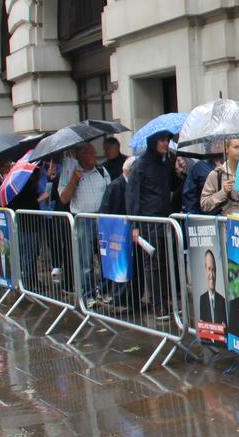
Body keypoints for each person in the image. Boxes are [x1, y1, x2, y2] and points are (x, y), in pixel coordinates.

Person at [126, 131, 175, 320]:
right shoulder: (140, 165)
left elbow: (169, 188)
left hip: (164, 220)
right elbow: (132, 197)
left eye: (168, 140)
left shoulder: (165, 163)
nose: (166, 143)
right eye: (162, 140)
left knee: (164, 262)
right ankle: (158, 305)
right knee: (152, 264)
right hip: (148, 222)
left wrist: (178, 173)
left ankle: (165, 300)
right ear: (154, 141)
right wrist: (135, 225)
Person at [59, 142, 110, 308]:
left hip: (101, 218)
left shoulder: (102, 171)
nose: (94, 156)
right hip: (82, 220)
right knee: (86, 261)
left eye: (94, 152)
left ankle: (104, 291)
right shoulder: (70, 173)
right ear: (80, 156)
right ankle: (88, 294)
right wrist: (74, 179)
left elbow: (111, 192)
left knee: (104, 258)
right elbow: (64, 198)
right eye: (89, 153)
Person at [98, 156, 139, 308]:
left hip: (129, 231)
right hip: (118, 233)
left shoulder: (133, 185)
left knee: (131, 267)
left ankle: (131, 299)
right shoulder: (116, 186)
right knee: (121, 268)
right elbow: (107, 210)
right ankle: (118, 298)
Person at [199, 248, 227, 326]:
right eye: (209, 269)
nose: (211, 274)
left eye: (213, 269)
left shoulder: (222, 300)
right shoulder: (202, 299)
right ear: (205, 270)